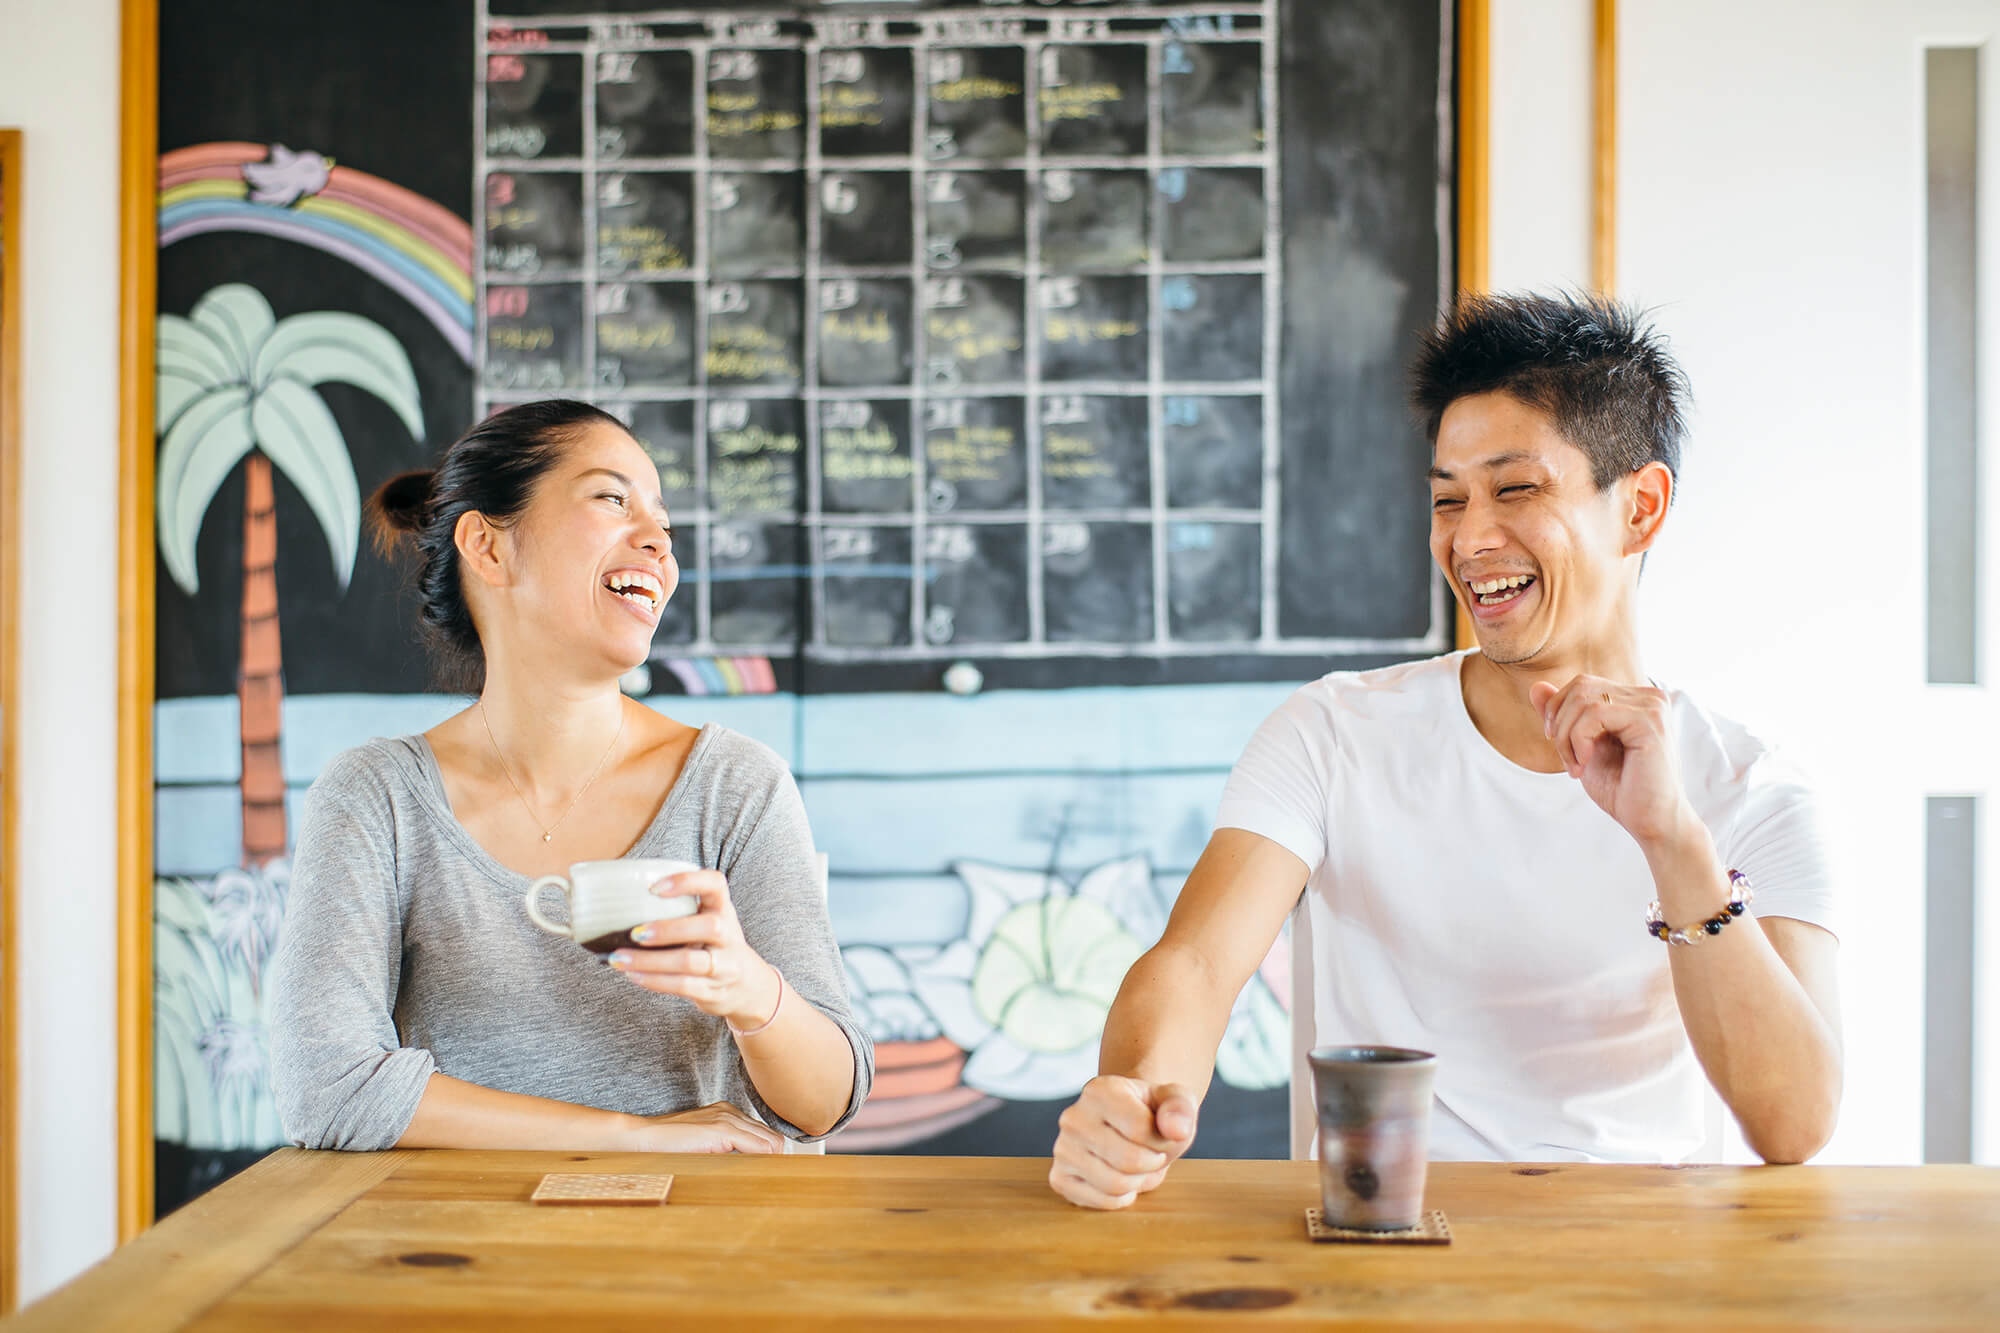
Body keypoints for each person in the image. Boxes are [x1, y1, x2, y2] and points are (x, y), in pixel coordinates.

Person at [1049, 293, 1842, 1207]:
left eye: (1516, 490)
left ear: (1641, 507)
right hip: (1373, 1238)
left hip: (1632, 1255)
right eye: (1446, 500)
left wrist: (1673, 840)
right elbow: (1193, 962)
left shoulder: (1754, 785)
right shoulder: (1334, 731)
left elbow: (1796, 1120)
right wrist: (1139, 1095)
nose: (1469, 539)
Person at [268, 399, 871, 1153]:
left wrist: (750, 990)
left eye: (665, 525)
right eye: (612, 499)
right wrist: (631, 1136)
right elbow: (327, 1086)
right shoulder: (376, 798)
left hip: (697, 1255)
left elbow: (826, 1104)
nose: (657, 542)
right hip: (454, 1255)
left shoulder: (735, 786)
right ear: (487, 547)